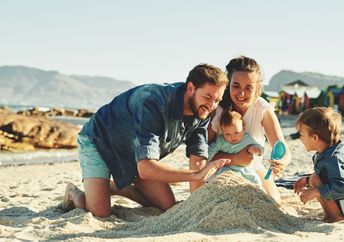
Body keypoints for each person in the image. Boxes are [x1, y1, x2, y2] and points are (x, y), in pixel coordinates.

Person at [63, 64, 230, 217]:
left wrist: (196, 205)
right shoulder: (153, 102)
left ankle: (115, 187)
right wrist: (194, 175)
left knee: (167, 206)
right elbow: (146, 168)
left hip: (135, 152)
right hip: (99, 140)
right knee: (99, 214)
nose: (212, 105)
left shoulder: (202, 112)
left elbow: (198, 160)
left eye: (217, 100)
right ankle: (74, 192)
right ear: (191, 88)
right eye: (208, 97)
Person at [208, 56, 291, 204]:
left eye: (248, 87)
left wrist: (281, 162)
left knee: (273, 203)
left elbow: (282, 148)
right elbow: (204, 156)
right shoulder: (218, 110)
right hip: (221, 169)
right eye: (236, 86)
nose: (241, 93)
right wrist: (235, 159)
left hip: (254, 169)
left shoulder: (262, 109)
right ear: (228, 84)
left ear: (257, 87)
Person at [293, 107, 344, 223]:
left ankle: (335, 216)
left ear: (315, 138)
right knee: (313, 178)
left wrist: (317, 191)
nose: (300, 138)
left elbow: (342, 186)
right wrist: (306, 180)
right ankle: (331, 214)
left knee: (315, 180)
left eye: (301, 134)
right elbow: (328, 175)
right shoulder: (330, 151)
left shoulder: (332, 159)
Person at [207, 109, 264, 186]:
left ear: (243, 129)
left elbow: (261, 149)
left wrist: (255, 150)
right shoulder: (221, 141)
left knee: (256, 180)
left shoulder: (247, 139)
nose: (232, 137)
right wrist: (206, 160)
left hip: (244, 169)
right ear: (222, 131)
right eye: (227, 134)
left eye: (236, 133)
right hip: (226, 168)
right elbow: (212, 149)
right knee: (222, 179)